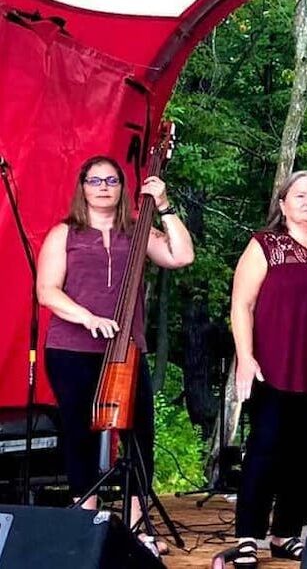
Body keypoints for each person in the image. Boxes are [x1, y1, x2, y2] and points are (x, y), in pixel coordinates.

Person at [36, 155, 195, 552]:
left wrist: (164, 204)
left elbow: (182, 256)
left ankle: (140, 526)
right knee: (79, 434)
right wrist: (87, 317)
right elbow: (47, 291)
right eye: (95, 181)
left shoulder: (138, 233)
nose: (103, 187)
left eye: (112, 180)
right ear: (83, 187)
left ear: (124, 188)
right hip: (71, 348)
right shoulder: (64, 233)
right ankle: (85, 522)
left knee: (138, 433)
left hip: (127, 349)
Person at [225, 171, 307, 566]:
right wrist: (245, 357)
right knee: (265, 448)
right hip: (273, 363)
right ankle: (247, 535)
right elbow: (241, 303)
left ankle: (285, 532)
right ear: (283, 204)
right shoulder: (266, 245)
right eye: (300, 195)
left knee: (306, 454)